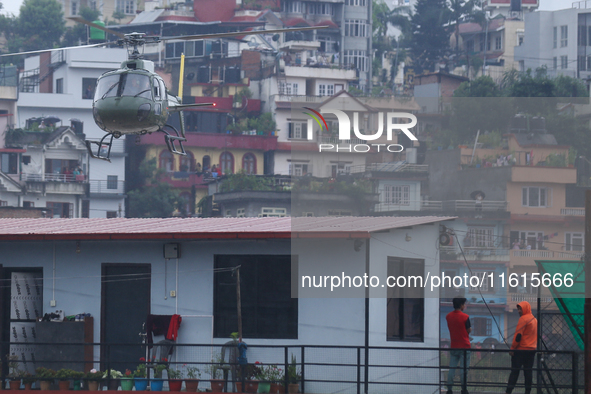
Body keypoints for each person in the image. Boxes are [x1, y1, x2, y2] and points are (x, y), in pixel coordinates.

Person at [505, 302, 537, 394]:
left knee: (515, 372)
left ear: (525, 309)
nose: (519, 311)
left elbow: (518, 336)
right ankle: (527, 391)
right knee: (528, 372)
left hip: (520, 350)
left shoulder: (523, 319)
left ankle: (508, 391)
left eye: (520, 309)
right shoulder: (534, 319)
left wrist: (512, 348)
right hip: (531, 351)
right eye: (518, 309)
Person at [446, 297, 472, 394]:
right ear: (461, 305)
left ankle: (449, 389)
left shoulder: (448, 316)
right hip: (465, 346)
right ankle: (464, 389)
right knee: (463, 369)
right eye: (464, 304)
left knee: (451, 368)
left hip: (454, 345)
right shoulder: (465, 317)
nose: (464, 306)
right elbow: (468, 330)